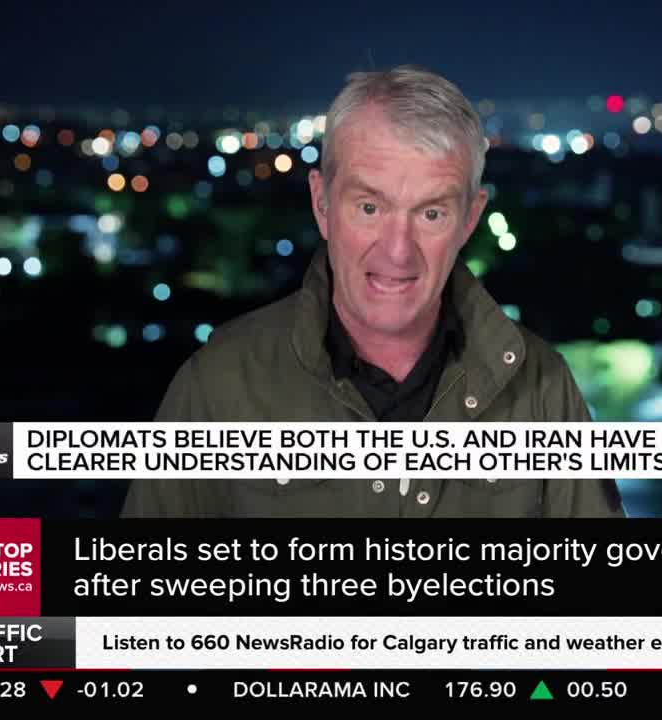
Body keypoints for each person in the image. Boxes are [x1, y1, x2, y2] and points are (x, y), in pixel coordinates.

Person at [121, 65, 623, 518]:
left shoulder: (542, 390)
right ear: (321, 203)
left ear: (470, 218)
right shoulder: (219, 384)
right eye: (369, 208)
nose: (397, 252)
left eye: (431, 213)